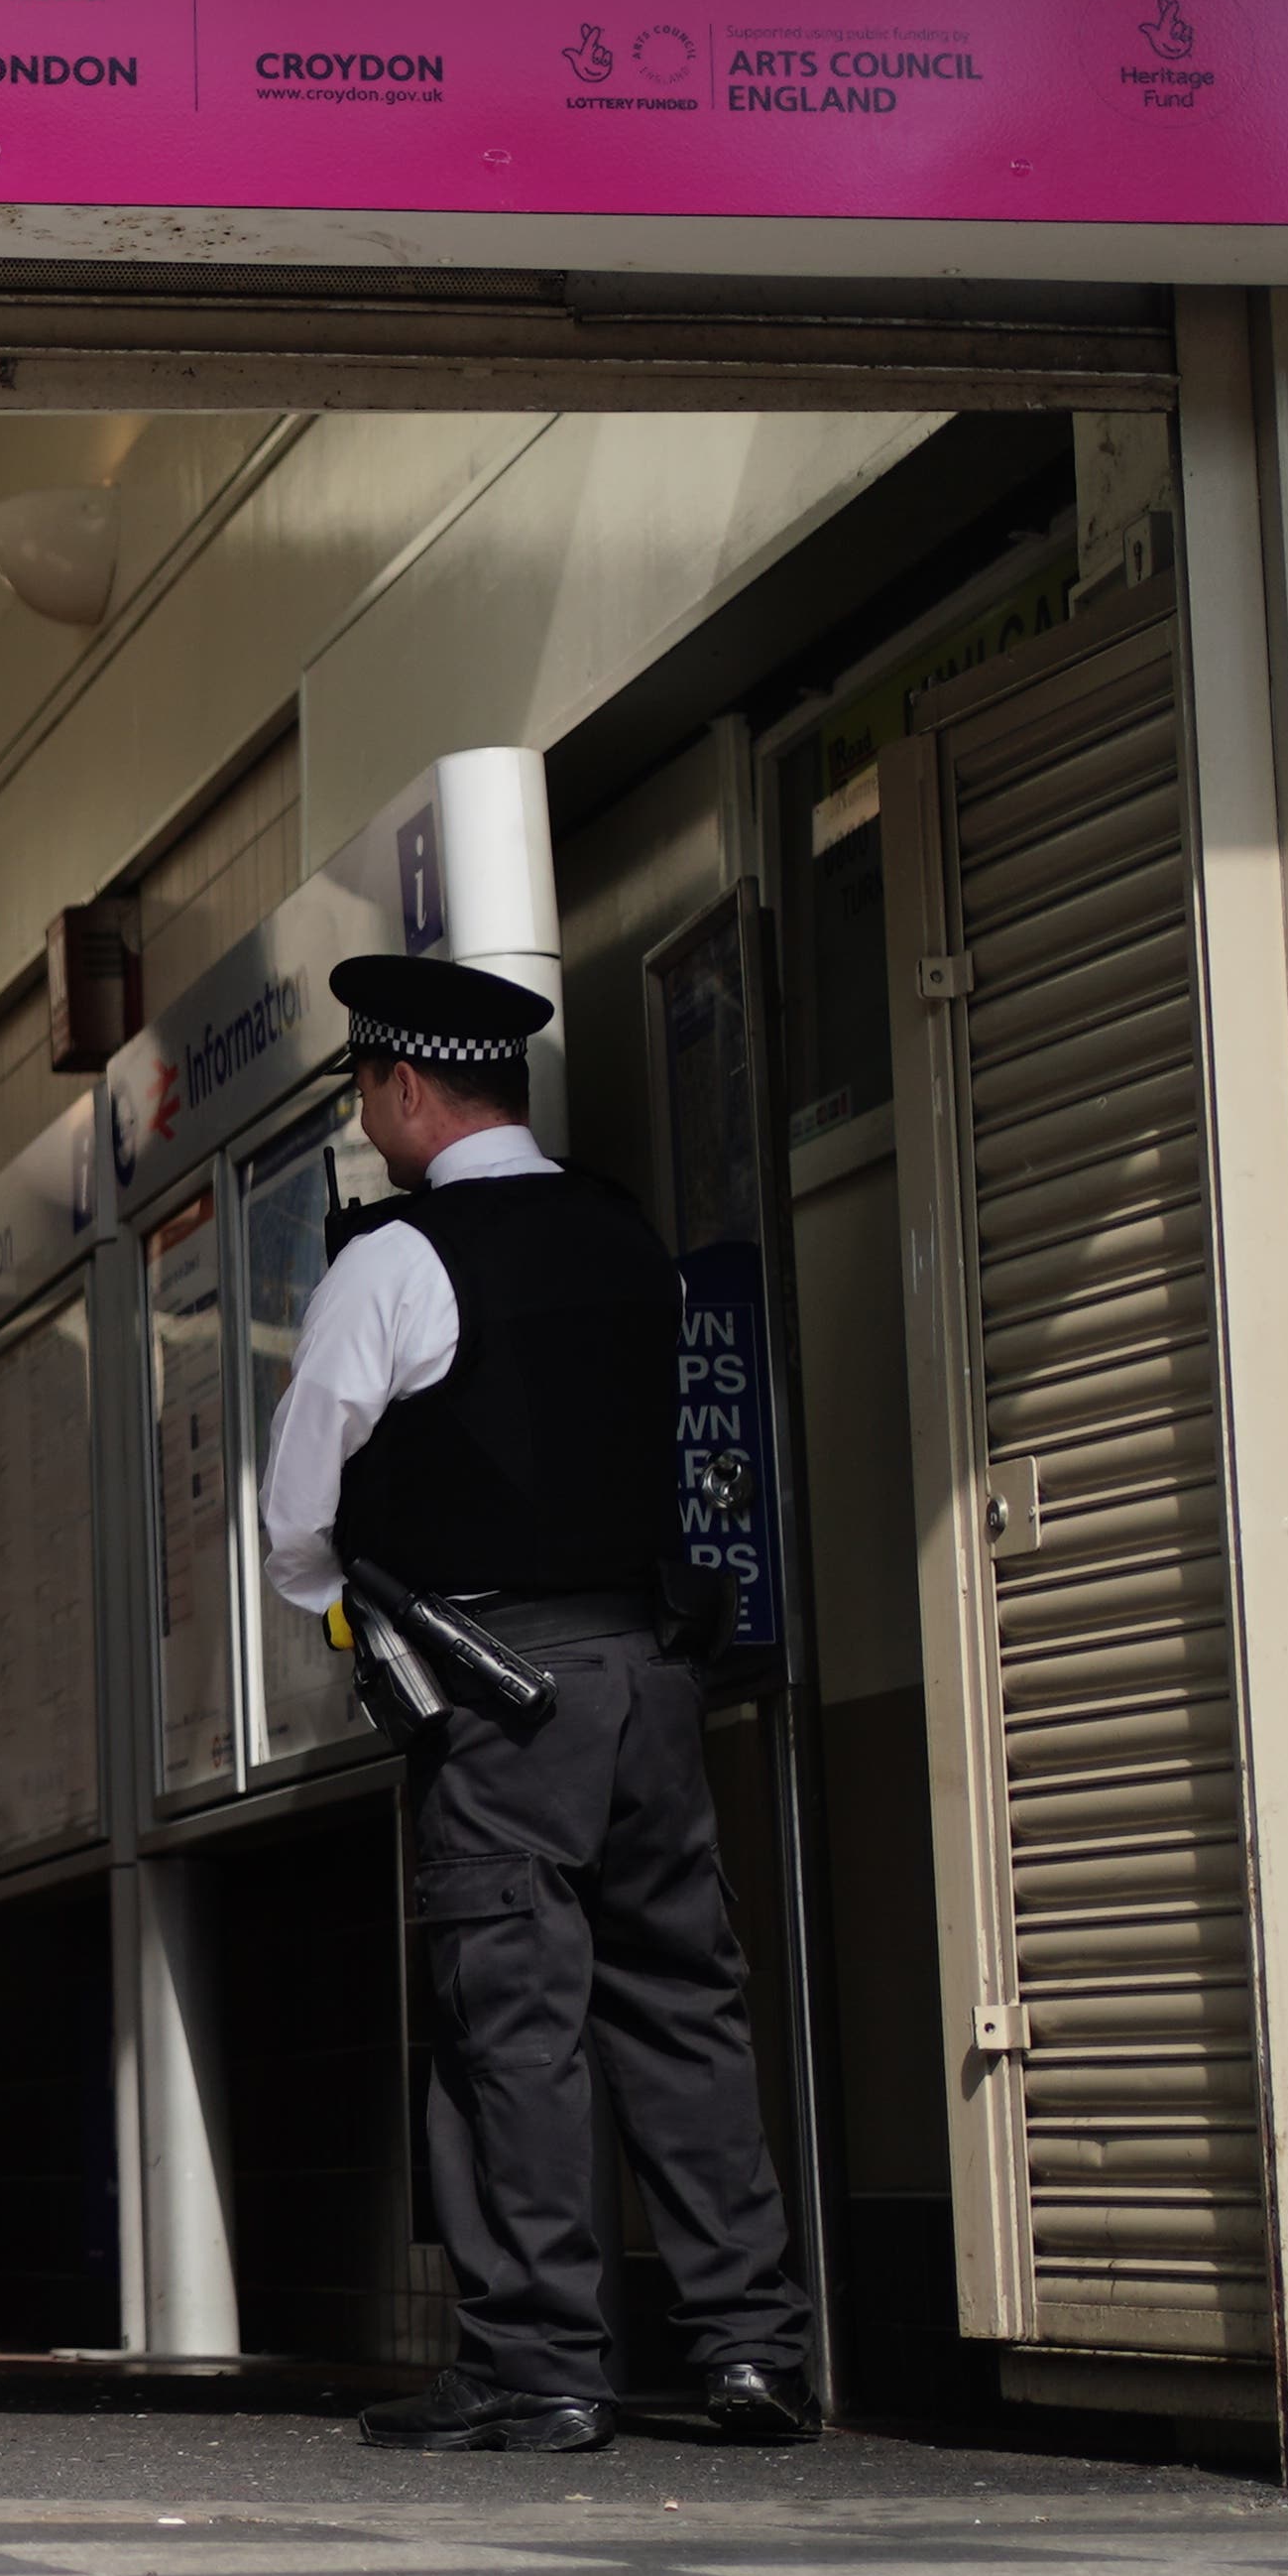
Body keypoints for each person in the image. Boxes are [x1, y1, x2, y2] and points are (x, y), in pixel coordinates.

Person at [265, 953, 815, 2455]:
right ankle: (753, 2349)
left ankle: (538, 2365)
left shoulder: (396, 1259)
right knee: (684, 2004)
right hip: (647, 1674)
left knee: (513, 2021)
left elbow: (301, 1494)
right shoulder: (625, 1230)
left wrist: (330, 1594)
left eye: (372, 1090)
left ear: (403, 1086)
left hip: (502, 1695)